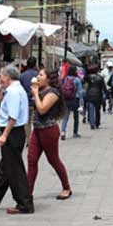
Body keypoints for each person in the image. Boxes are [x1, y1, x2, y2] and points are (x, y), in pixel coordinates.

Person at [0, 65, 34, 214]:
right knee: (5, 168)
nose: (0, 79)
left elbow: (13, 116)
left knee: (15, 170)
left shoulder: (13, 92)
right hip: (15, 132)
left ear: (8, 77)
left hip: (12, 132)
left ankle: (25, 203)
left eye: (2, 76)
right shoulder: (15, 90)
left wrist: (4, 135)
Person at [27, 67, 72, 201]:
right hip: (37, 130)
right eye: (38, 75)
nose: (38, 77)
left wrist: (35, 93)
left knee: (53, 160)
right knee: (31, 159)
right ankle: (28, 192)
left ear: (48, 78)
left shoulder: (53, 93)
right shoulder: (40, 90)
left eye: (41, 75)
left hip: (49, 130)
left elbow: (42, 109)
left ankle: (66, 187)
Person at [20, 57, 39, 140]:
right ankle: (35, 139)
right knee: (36, 121)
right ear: (35, 64)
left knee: (26, 122)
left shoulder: (22, 76)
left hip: (26, 102)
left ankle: (28, 139)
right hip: (37, 102)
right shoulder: (38, 75)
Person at [60, 66, 82, 140]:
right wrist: (81, 103)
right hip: (75, 100)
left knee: (65, 117)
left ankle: (63, 131)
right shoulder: (77, 80)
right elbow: (80, 92)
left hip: (66, 100)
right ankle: (75, 132)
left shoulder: (65, 79)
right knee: (76, 117)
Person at [84, 64, 108, 129]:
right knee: (97, 110)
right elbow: (104, 87)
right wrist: (107, 94)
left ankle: (92, 124)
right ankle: (97, 123)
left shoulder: (87, 77)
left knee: (91, 110)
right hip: (98, 95)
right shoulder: (100, 77)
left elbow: (84, 81)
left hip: (89, 95)